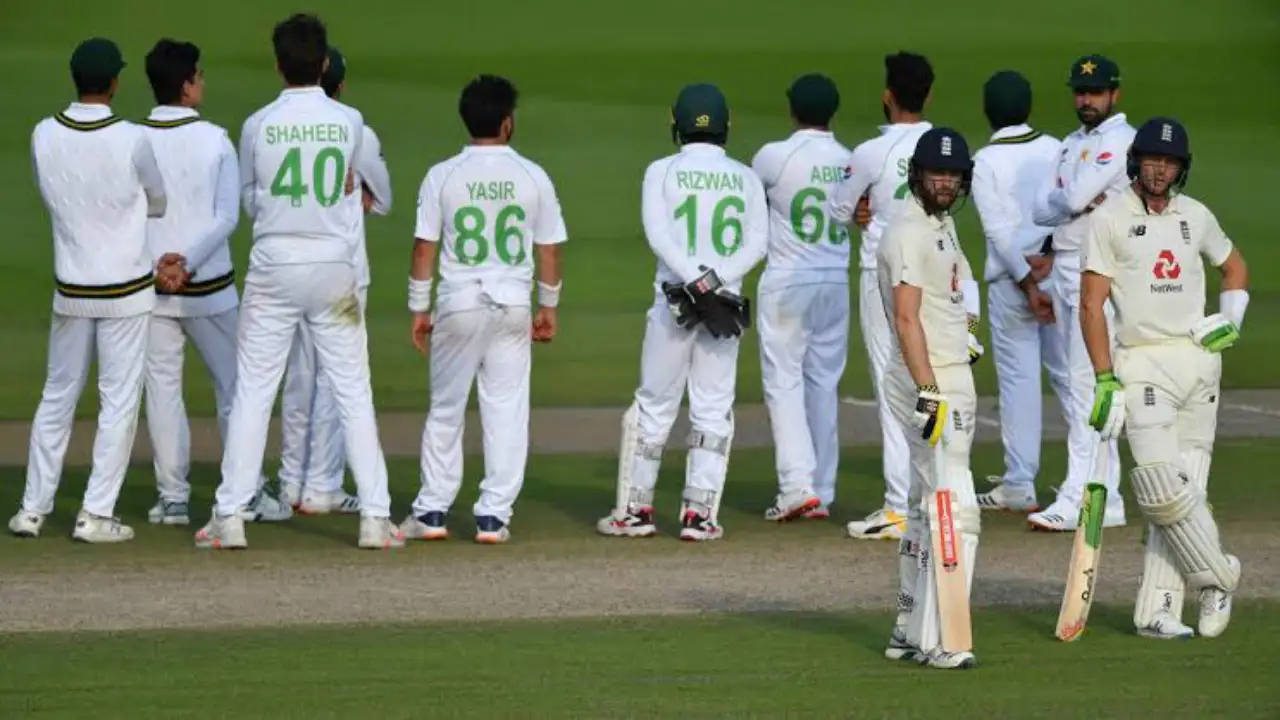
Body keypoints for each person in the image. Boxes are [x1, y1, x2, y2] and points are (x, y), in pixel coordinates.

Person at [194, 13, 401, 550]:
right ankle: (376, 518)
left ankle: (230, 516)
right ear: (324, 64)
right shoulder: (350, 121)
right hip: (335, 269)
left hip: (274, 267)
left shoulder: (257, 124)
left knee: (254, 391)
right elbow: (356, 185)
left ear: (278, 65)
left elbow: (248, 198)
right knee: (353, 389)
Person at [1081, 117, 1246, 640]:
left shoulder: (1195, 215)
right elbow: (1091, 304)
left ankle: (1158, 611)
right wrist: (1105, 378)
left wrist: (1231, 322)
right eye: (1152, 159)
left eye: (1169, 162)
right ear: (1136, 161)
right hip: (1142, 362)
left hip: (1199, 362)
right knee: (1161, 488)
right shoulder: (1108, 218)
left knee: (1187, 491)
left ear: (1181, 168)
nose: (1159, 170)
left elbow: (1234, 267)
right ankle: (1219, 577)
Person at [10, 38, 167, 543]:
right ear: (115, 82)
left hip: (72, 287)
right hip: (125, 289)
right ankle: (95, 513)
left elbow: (49, 193)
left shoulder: (43, 133)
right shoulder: (133, 137)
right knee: (117, 402)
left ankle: (31, 509)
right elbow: (158, 201)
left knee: (57, 395)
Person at [401, 74, 567, 545]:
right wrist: (549, 306)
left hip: (459, 303)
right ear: (507, 122)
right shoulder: (533, 175)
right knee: (507, 411)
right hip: (513, 304)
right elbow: (549, 249)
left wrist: (419, 308)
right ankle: (493, 516)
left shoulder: (443, 174)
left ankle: (432, 510)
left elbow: (424, 247)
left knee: (446, 408)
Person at [597, 83, 766, 542]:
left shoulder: (661, 171)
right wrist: (714, 281)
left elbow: (658, 235)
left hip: (674, 302)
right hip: (723, 306)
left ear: (676, 124)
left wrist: (693, 280)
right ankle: (699, 515)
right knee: (713, 408)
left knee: (654, 404)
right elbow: (758, 244)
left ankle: (636, 511)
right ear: (727, 125)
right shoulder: (746, 177)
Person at [138, 38, 290, 527]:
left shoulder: (133, 140)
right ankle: (248, 492)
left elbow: (128, 217)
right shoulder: (216, 139)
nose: (203, 82)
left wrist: (162, 267)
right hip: (211, 290)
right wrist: (188, 264)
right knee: (237, 388)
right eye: (198, 76)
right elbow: (227, 217)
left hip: (152, 288)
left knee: (163, 390)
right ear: (185, 87)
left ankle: (173, 498)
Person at [830, 51, 981, 541]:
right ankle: (919, 500)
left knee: (896, 382)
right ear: (929, 94)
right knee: (933, 378)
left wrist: (862, 211)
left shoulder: (870, 152)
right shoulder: (946, 147)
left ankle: (901, 504)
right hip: (940, 274)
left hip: (886, 276)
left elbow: (838, 211)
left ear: (887, 95)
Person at [876, 127, 982, 670]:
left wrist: (968, 335)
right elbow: (905, 318)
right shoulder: (907, 232)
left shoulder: (942, 224)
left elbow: (955, 292)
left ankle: (908, 627)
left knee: (925, 506)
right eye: (936, 173)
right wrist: (929, 390)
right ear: (917, 175)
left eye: (953, 175)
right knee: (954, 508)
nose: (945, 182)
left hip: (948, 371)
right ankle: (942, 638)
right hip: (929, 379)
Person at [277, 46, 392, 515]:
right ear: (339, 86)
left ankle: (291, 482)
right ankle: (321, 484)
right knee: (338, 378)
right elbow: (384, 199)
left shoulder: (275, 126)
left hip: (287, 268)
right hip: (343, 274)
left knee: (300, 375)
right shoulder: (355, 129)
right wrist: (360, 188)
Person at [1028, 54, 1133, 532]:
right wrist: (1072, 204)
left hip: (1100, 272)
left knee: (1087, 385)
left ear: (1115, 94)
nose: (1086, 100)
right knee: (1078, 386)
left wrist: (1070, 202)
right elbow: (1042, 209)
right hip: (1066, 268)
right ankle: (1105, 496)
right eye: (1080, 92)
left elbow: (1066, 199)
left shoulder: (1122, 141)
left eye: (1095, 92)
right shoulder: (1071, 144)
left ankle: (1079, 495)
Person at [751, 73, 851, 522]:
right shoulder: (849, 159)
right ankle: (821, 490)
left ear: (793, 110)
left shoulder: (773, 156)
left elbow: (751, 202)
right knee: (824, 384)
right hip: (835, 280)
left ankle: (796, 486)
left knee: (784, 381)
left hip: (789, 280)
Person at [969, 70, 1069, 514]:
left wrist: (1027, 284)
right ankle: (1089, 479)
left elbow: (998, 231)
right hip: (1060, 274)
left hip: (1013, 285)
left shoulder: (985, 161)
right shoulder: (1058, 148)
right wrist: (1047, 270)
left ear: (987, 111)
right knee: (1069, 376)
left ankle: (1019, 483)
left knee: (1019, 382)